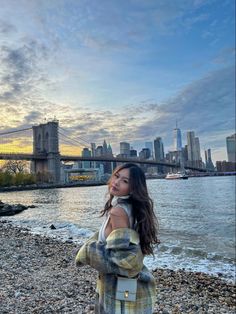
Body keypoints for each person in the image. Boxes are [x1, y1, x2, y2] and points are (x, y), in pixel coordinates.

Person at [75, 163, 159, 314]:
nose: (116, 182)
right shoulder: (133, 208)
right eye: (116, 176)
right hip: (129, 283)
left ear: (133, 188)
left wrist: (87, 251)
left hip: (117, 284)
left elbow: (124, 259)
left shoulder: (118, 212)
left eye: (125, 181)